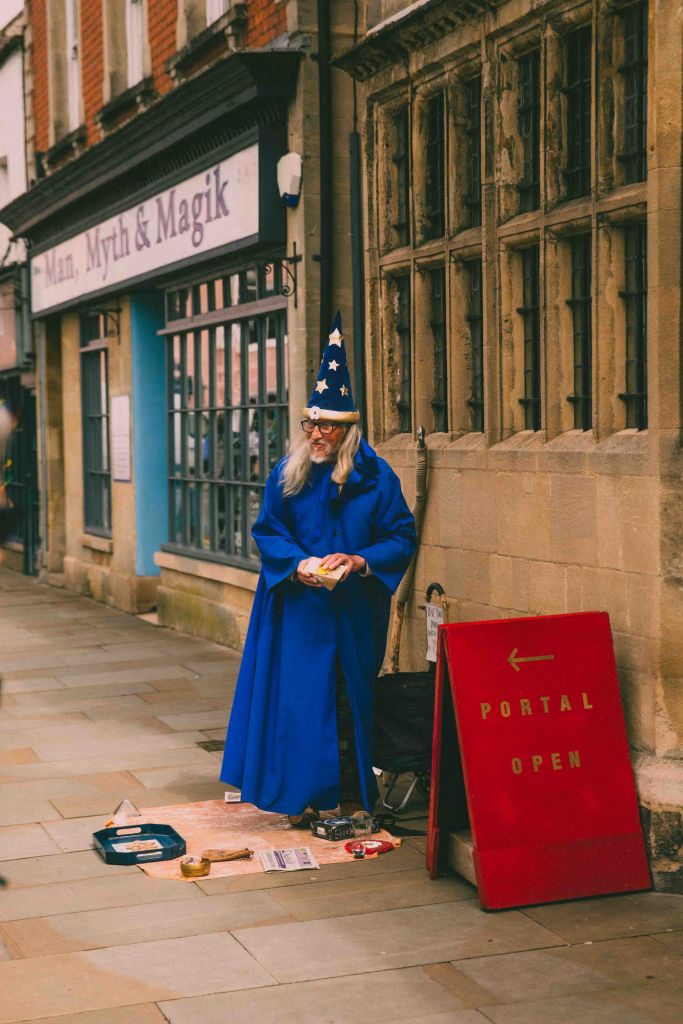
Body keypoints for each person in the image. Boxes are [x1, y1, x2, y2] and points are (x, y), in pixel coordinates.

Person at [220, 313, 416, 824]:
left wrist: (360, 560)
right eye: (310, 424)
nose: (315, 434)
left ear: (349, 430)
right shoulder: (287, 475)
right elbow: (267, 532)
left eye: (326, 425)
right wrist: (300, 563)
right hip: (300, 611)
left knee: (351, 697)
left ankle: (351, 792)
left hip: (355, 611)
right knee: (302, 703)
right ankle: (303, 796)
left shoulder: (378, 478)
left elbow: (401, 536)